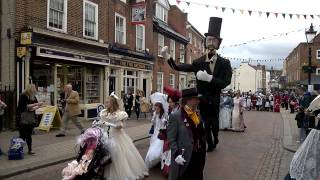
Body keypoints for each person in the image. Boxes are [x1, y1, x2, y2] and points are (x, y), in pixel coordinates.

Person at [162, 17, 232, 152]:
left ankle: (215, 138)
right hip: (202, 98)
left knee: (214, 125)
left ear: (218, 43)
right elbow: (179, 67)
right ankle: (209, 144)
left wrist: (209, 78)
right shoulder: (198, 62)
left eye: (214, 40)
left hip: (215, 99)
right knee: (204, 123)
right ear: (205, 42)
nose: (211, 43)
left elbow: (225, 82)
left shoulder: (225, 63)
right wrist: (168, 57)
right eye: (209, 40)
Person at [99, 93, 148, 179]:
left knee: (117, 156)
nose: (105, 104)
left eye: (107, 102)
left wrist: (117, 125)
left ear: (112, 103)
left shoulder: (120, 114)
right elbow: (101, 123)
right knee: (104, 154)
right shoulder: (104, 112)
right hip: (105, 136)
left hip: (117, 137)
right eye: (105, 102)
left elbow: (121, 125)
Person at [167, 87, 206, 180]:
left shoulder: (196, 114)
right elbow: (171, 138)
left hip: (198, 155)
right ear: (187, 100)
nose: (198, 101)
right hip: (184, 157)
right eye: (195, 99)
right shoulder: (176, 116)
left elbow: (200, 133)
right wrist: (176, 154)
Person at [160, 86, 181, 176]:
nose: (169, 104)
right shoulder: (171, 110)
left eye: (171, 102)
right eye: (169, 102)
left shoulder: (179, 111)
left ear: (175, 102)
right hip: (170, 135)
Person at [17, 84, 43, 155]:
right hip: (23, 117)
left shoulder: (33, 97)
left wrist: (38, 106)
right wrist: (36, 104)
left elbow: (32, 108)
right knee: (22, 135)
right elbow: (26, 106)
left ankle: (30, 150)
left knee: (29, 135)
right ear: (30, 89)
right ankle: (20, 150)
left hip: (30, 118)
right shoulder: (23, 96)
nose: (35, 90)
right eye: (34, 88)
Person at [145, 101, 167, 169]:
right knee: (153, 145)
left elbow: (165, 124)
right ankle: (154, 159)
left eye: (158, 108)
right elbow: (153, 123)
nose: (156, 110)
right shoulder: (155, 114)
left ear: (160, 108)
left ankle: (161, 160)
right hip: (155, 132)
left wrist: (163, 120)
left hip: (160, 133)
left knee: (159, 146)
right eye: (155, 108)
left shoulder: (164, 114)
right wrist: (154, 117)